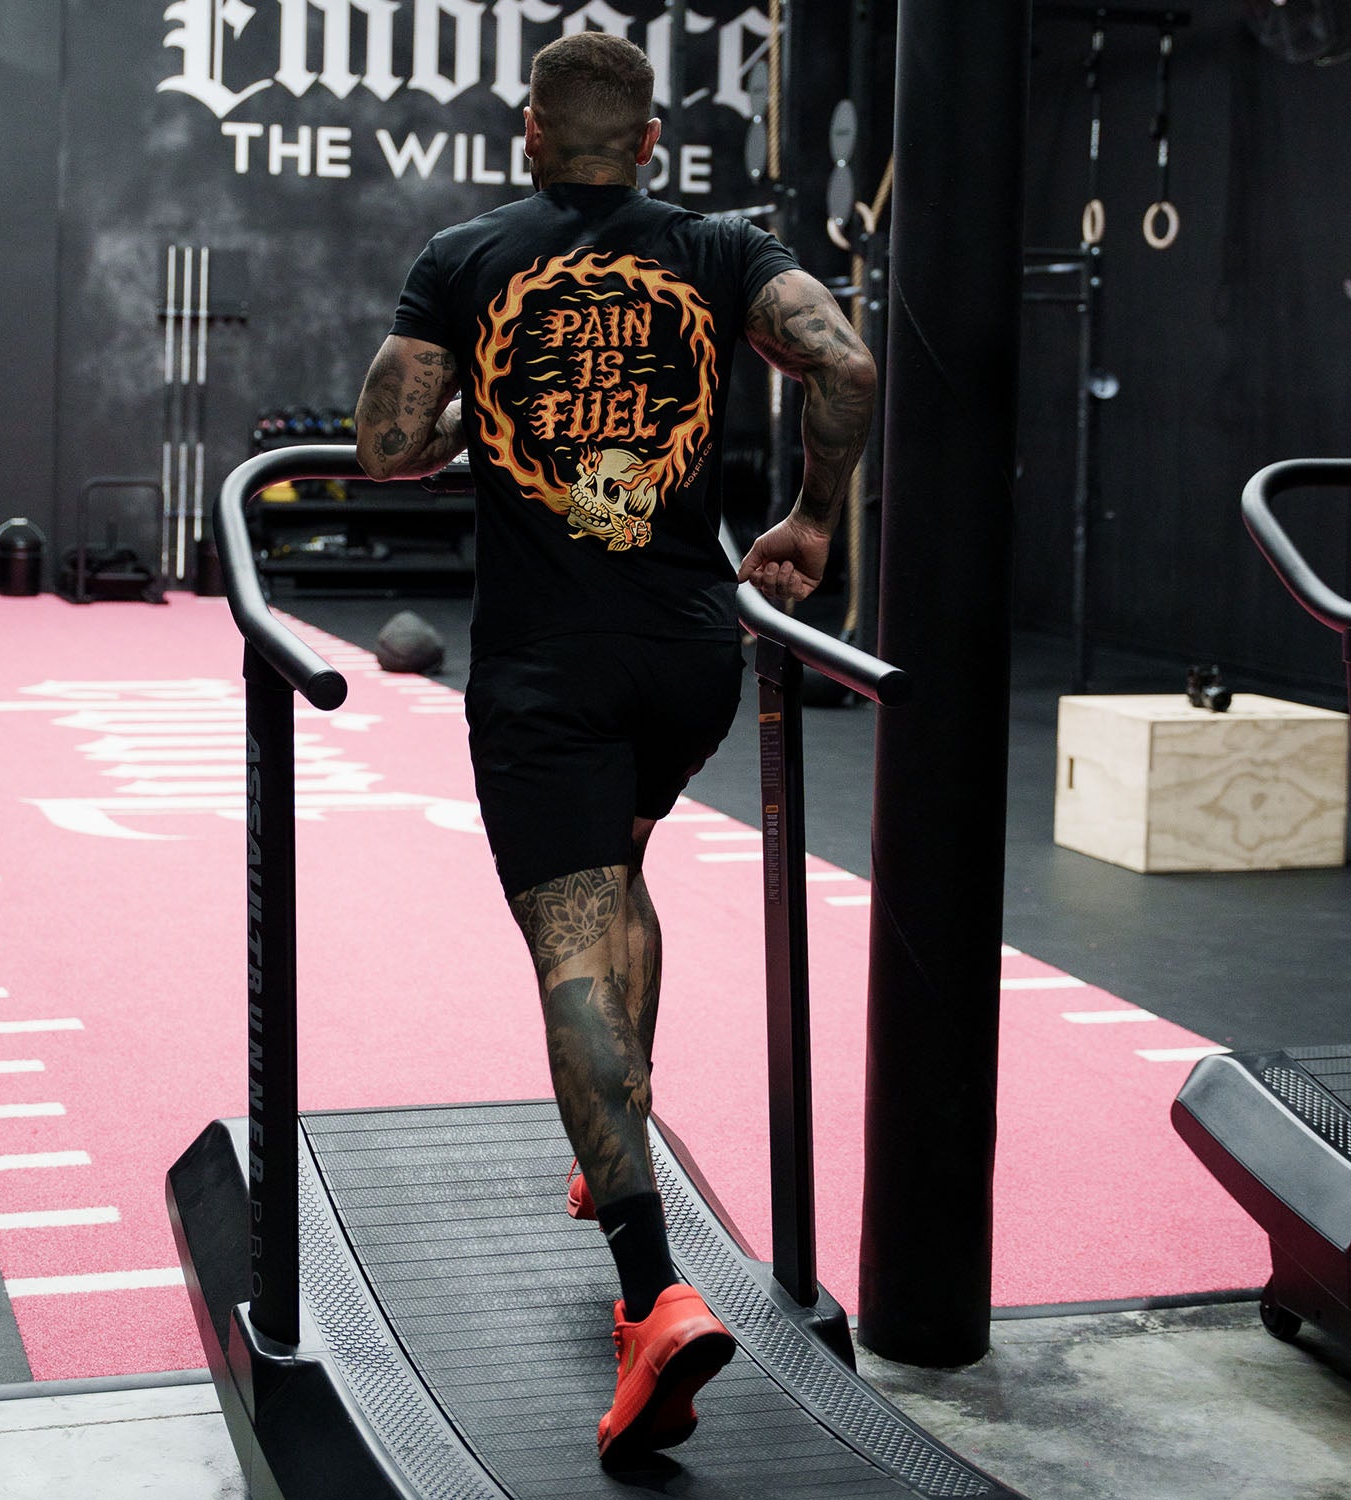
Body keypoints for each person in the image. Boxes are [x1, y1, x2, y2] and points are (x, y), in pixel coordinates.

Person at [354, 30, 875, 1468]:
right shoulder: (717, 248)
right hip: (688, 652)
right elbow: (841, 362)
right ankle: (615, 1141)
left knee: (574, 938)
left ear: (530, 133)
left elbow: (390, 443)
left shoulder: (465, 256)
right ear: (651, 144)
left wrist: (474, 399)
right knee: (624, 867)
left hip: (549, 671)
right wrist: (817, 522)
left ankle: (648, 1292)